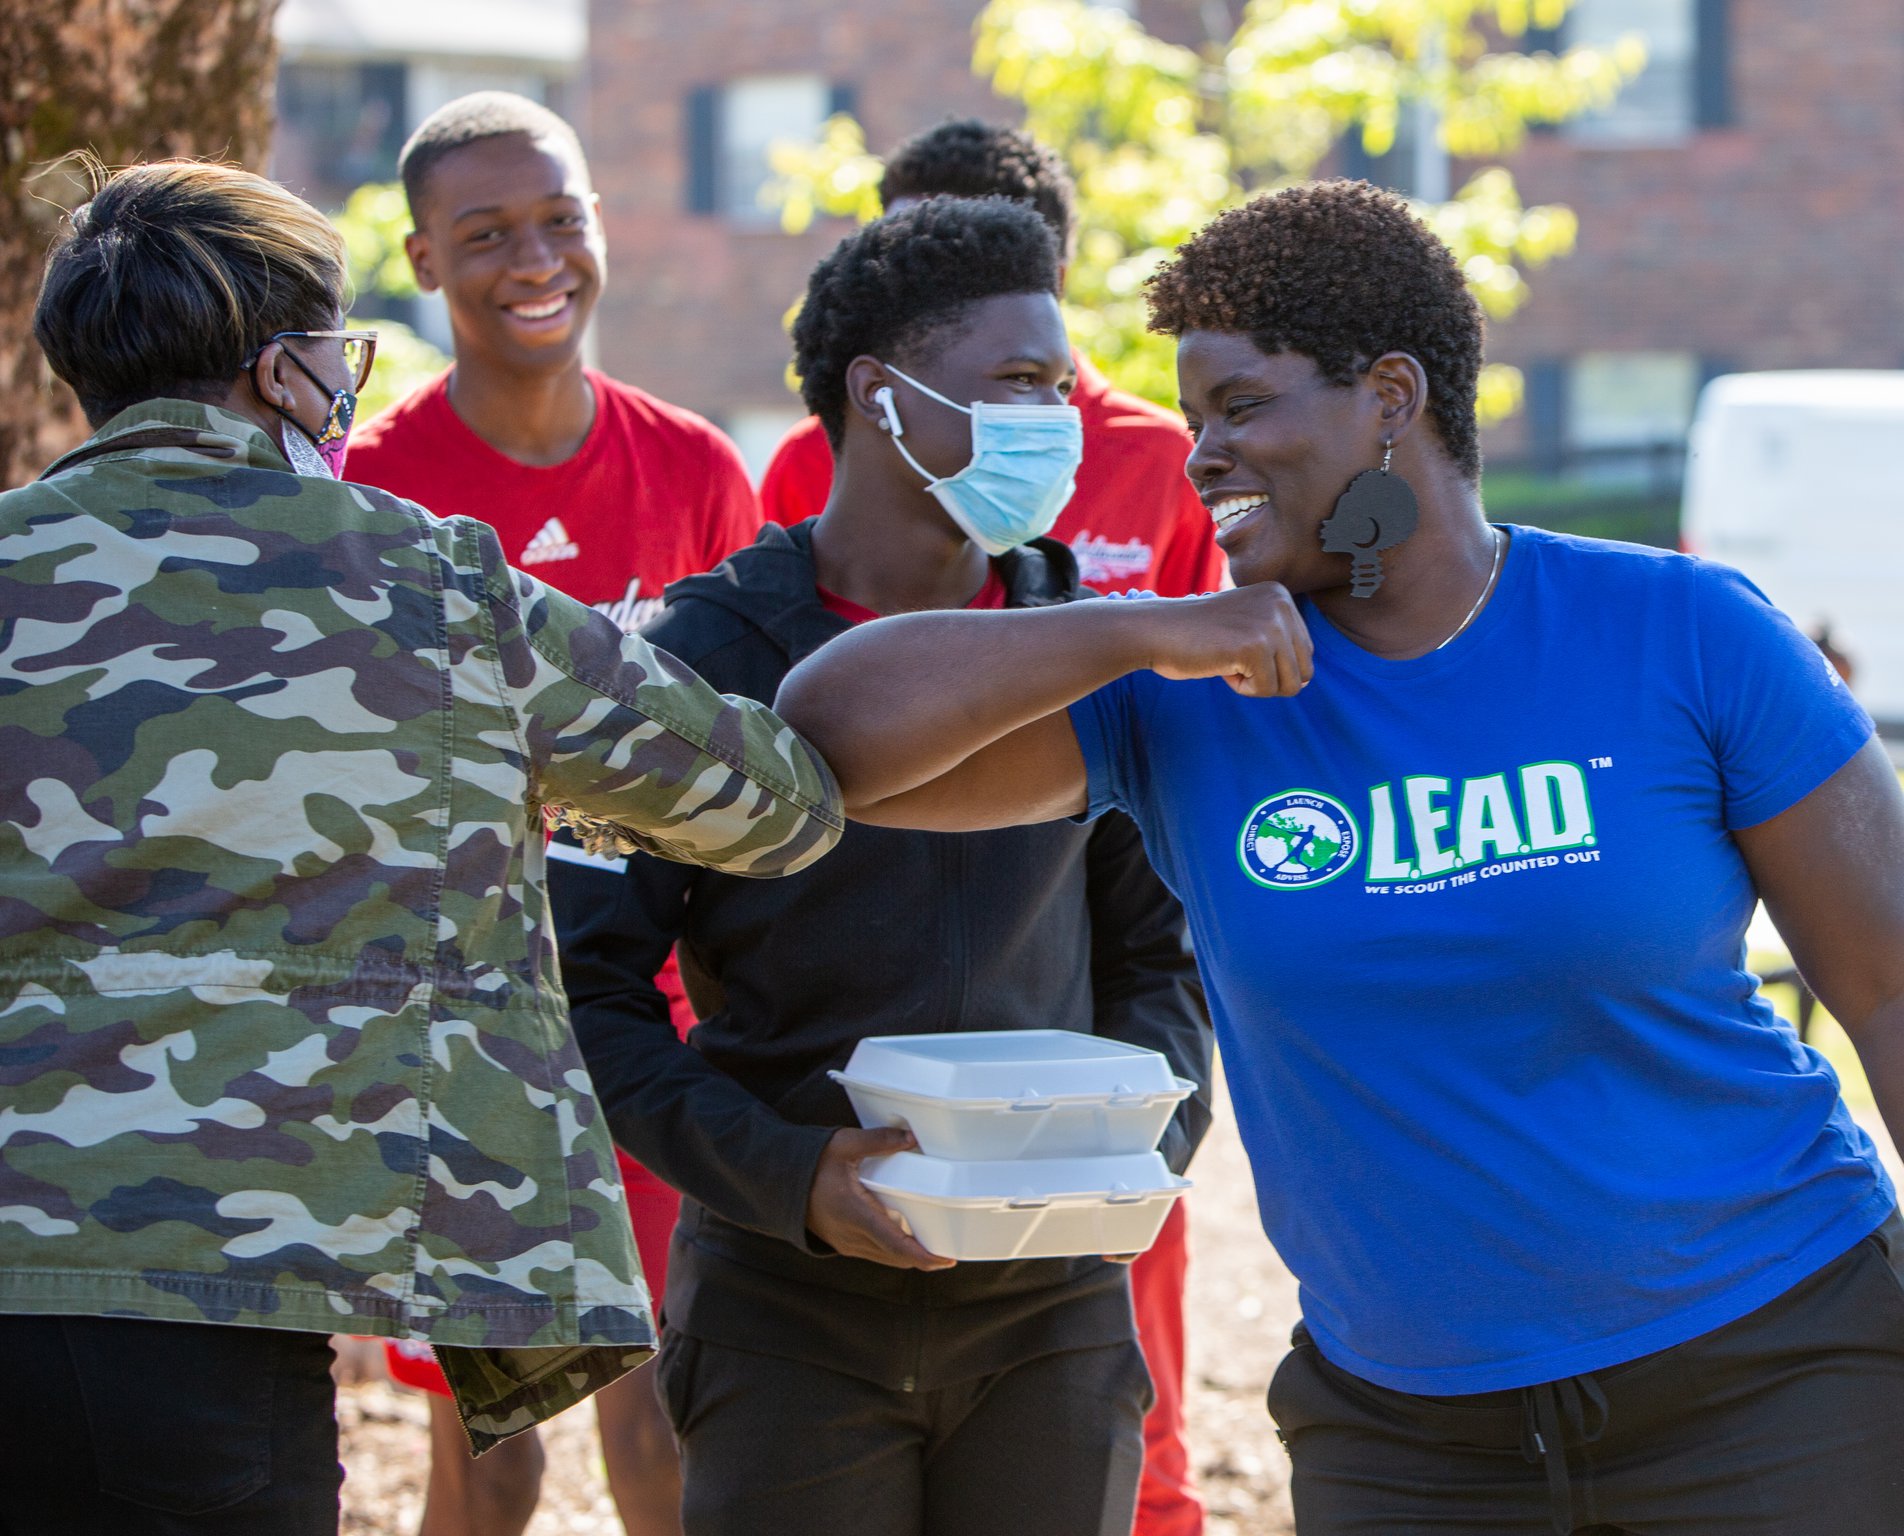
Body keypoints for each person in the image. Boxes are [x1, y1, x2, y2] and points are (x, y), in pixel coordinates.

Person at [772, 179, 1904, 1536]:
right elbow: (826, 740)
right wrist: (1141, 631)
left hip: (1773, 1376)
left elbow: (1887, 989)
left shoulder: (1684, 632)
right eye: (1191, 420)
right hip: (1406, 1442)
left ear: (1388, 396)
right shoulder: (1188, 693)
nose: (1198, 457)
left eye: (1240, 408)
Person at [0, 159, 840, 1536]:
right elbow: (773, 803)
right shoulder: (429, 581)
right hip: (221, 1287)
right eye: (337, 359)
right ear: (285, 374)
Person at [558, 194, 1213, 1536]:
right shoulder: (705, 654)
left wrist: (1129, 1157)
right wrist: (793, 1178)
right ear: (883, 396)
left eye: (1066, 382)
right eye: (1021, 384)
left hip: (1054, 1315)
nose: (1062, 419)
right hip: (786, 1317)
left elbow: (1166, 960)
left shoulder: (1095, 645)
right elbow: (584, 993)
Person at [761, 119, 1219, 1533]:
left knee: (1117, 1398)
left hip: (1072, 1044)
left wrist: (1153, 1100)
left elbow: (1177, 804)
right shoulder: (789, 514)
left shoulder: (1162, 466)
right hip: (837, 1108)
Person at [346, 90, 758, 1536]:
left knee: (659, 1408)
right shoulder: (370, 489)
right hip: (456, 1014)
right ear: (422, 256)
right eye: (487, 234)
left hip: (646, 1009)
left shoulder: (699, 469)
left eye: (561, 221)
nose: (535, 261)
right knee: (492, 1433)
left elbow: (740, 744)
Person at [762, 120, 1223, 598]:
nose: (907, 276)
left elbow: (1175, 657)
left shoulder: (1165, 458)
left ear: (1050, 277)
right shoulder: (814, 456)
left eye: (951, 259)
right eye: (896, 250)